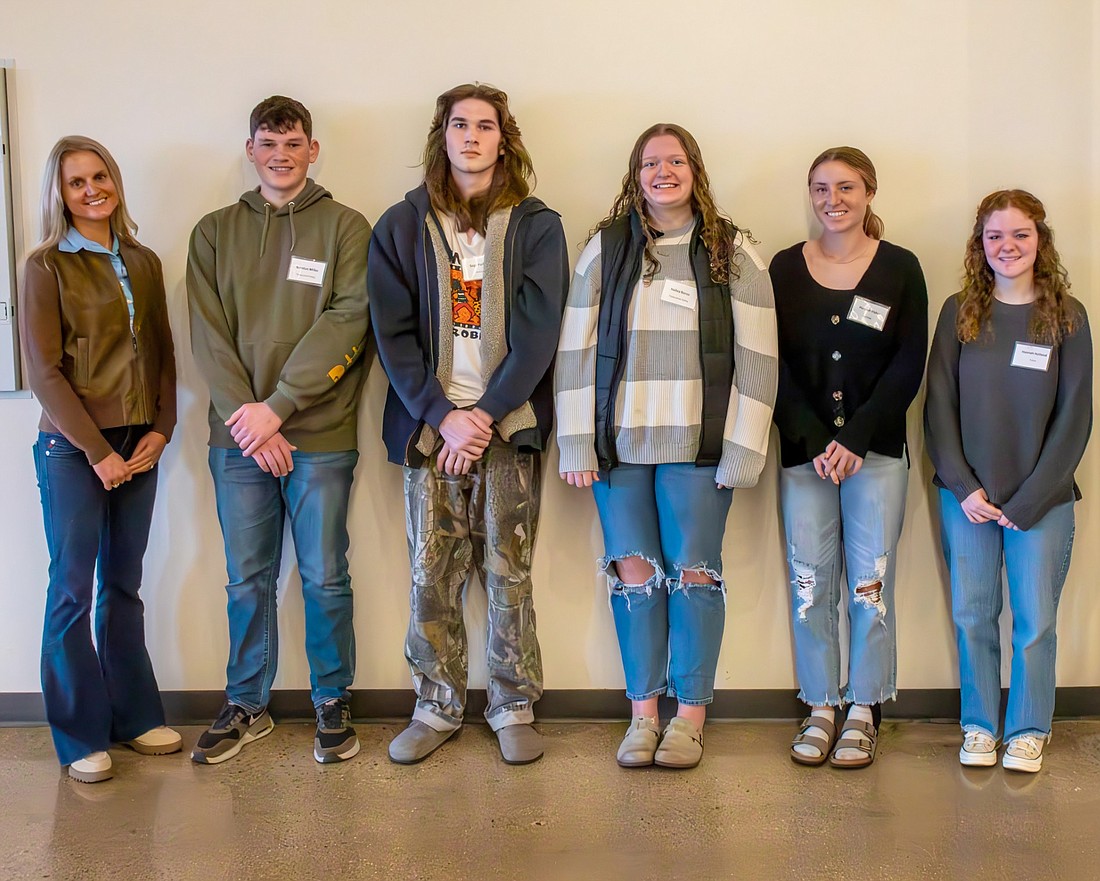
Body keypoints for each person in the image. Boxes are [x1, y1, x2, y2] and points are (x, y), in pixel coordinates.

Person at [555, 123, 777, 769]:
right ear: (635, 175)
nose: (662, 172)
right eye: (650, 163)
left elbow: (759, 357)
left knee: (694, 575)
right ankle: (642, 715)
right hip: (619, 447)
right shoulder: (607, 247)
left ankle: (689, 718)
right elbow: (574, 347)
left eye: (674, 160)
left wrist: (744, 446)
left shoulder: (732, 250)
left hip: (700, 446)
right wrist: (577, 443)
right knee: (636, 577)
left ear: (695, 170)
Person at [369, 83, 567, 765]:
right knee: (432, 572)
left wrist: (481, 416)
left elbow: (540, 333)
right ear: (442, 135)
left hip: (507, 429)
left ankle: (513, 703)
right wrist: (442, 417)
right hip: (430, 432)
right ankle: (436, 703)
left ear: (504, 138)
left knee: (508, 572)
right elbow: (392, 334)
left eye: (487, 126)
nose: (473, 137)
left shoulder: (537, 224)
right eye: (461, 125)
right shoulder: (401, 224)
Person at [186, 96, 371, 765]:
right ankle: (247, 702)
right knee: (246, 577)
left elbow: (349, 319)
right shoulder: (212, 232)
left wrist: (281, 406)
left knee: (324, 575)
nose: (281, 155)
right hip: (238, 438)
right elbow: (208, 338)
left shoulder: (348, 228)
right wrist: (254, 421)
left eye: (293, 143)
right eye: (269, 143)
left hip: (320, 435)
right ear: (251, 149)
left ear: (312, 150)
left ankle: (331, 697)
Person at [20, 136, 179, 783]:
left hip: (140, 440)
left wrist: (162, 429)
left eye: (99, 176)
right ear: (59, 195)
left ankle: (134, 717)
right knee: (71, 591)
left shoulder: (142, 260)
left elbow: (165, 355)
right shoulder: (45, 266)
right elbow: (44, 372)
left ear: (115, 180)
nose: (91, 189)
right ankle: (77, 735)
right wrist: (95, 451)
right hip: (72, 446)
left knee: (123, 585)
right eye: (76, 182)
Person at [925, 190, 1092, 773]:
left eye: (1020, 234)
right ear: (980, 245)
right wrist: (963, 486)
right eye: (995, 236)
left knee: (1034, 621)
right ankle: (978, 724)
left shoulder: (1068, 316)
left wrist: (1031, 499)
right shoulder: (958, 312)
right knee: (972, 615)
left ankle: (1026, 729)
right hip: (965, 498)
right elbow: (938, 407)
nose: (1008, 246)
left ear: (1040, 240)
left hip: (1041, 502)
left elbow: (1076, 418)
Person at [771, 146, 927, 768]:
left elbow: (908, 364)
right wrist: (815, 439)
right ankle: (820, 704)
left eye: (846, 187)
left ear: (869, 193)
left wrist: (856, 437)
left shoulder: (900, 268)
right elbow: (769, 361)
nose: (833, 199)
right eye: (820, 188)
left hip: (877, 454)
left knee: (871, 586)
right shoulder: (783, 268)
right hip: (805, 455)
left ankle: (865, 706)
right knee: (809, 585)